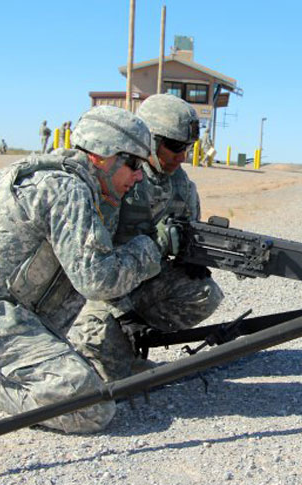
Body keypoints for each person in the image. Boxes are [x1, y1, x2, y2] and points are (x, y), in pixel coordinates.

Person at [0, 106, 170, 434]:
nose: (139, 175)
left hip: (3, 310)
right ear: (103, 157)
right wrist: (152, 249)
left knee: (96, 379)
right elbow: (97, 279)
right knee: (90, 406)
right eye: (134, 164)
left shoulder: (52, 175)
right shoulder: (66, 188)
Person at [68, 94, 223, 382]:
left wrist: (193, 255)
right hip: (97, 286)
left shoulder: (182, 186)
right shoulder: (114, 179)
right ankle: (102, 340)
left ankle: (131, 341)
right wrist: (123, 313)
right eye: (174, 146)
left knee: (204, 293)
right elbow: (90, 266)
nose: (182, 156)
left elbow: (186, 233)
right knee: (101, 356)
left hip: (139, 280)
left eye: (187, 147)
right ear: (148, 139)